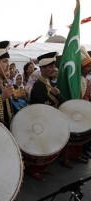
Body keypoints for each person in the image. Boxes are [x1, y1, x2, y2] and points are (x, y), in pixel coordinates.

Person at [29, 52, 65, 180]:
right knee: (40, 146)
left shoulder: (49, 82)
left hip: (50, 121)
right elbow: (36, 106)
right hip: (42, 122)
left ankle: (43, 168)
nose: (52, 69)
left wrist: (57, 95)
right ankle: (35, 170)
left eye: (53, 66)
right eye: (48, 67)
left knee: (48, 146)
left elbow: (59, 101)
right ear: (42, 68)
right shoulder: (39, 85)